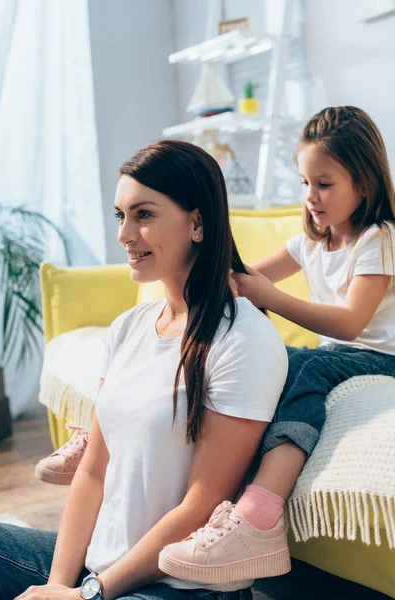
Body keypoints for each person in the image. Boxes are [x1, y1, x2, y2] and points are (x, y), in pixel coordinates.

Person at [0, 140, 289, 600]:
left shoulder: (243, 339)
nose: (124, 234)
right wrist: (57, 587)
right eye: (120, 215)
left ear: (197, 222)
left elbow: (203, 503)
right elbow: (93, 473)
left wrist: (88, 594)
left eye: (144, 215)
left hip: (182, 587)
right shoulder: (128, 328)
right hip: (100, 569)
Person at [158, 106, 395, 584]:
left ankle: (259, 517)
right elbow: (243, 275)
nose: (311, 196)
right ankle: (126, 430)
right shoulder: (310, 242)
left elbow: (351, 323)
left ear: (364, 184)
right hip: (338, 359)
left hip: (381, 360)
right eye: (304, 182)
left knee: (304, 366)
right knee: (257, 363)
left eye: (324, 184)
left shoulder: (379, 239)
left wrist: (269, 296)